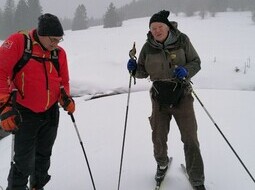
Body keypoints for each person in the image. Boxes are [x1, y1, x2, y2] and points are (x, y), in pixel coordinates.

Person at [127, 10, 206, 190]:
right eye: (153, 28)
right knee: (158, 136)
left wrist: (186, 70)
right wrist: (133, 69)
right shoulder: (148, 47)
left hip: (182, 95)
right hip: (159, 97)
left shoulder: (182, 40)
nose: (156, 30)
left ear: (168, 27)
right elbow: (141, 72)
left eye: (159, 27)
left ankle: (197, 177)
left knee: (190, 138)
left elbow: (196, 62)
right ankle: (161, 164)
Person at [0, 13, 75, 190]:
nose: (56, 44)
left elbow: (63, 81)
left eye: (59, 40)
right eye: (53, 39)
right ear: (41, 34)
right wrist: (4, 105)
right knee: (23, 161)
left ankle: (37, 186)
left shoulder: (58, 53)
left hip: (50, 112)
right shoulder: (18, 43)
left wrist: (66, 98)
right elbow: (1, 72)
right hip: (25, 111)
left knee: (43, 158)